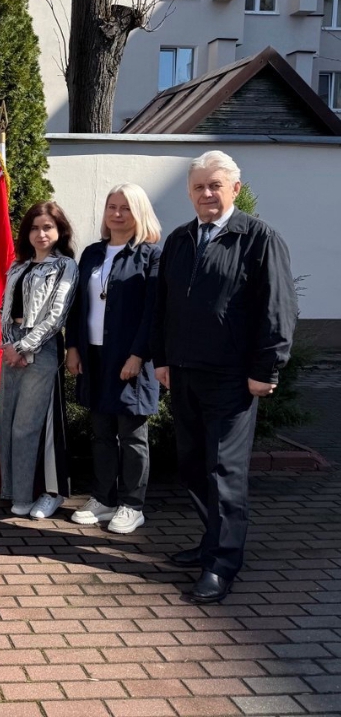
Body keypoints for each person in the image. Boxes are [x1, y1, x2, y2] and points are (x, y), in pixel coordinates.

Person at [152, 150, 295, 604]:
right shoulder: (178, 240)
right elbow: (164, 306)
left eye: (215, 185)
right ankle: (211, 542)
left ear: (235, 188)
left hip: (234, 379)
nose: (207, 194)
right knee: (194, 465)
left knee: (224, 471)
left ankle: (222, 564)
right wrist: (161, 358)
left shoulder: (258, 239)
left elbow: (278, 308)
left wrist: (265, 369)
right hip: (185, 372)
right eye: (199, 187)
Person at [65, 184, 162, 535]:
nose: (117, 214)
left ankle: (132, 505)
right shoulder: (92, 253)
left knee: (132, 435)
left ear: (139, 213)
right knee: (101, 432)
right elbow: (77, 306)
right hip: (93, 356)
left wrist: (139, 355)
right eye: (111, 207)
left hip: (130, 357)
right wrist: (72, 347)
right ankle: (103, 499)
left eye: (125, 208)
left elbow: (154, 312)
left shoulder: (150, 255)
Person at [0, 201, 78, 520]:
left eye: (47, 227)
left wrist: (25, 346)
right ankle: (15, 491)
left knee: (28, 427)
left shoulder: (65, 266)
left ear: (59, 231)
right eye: (34, 227)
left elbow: (57, 316)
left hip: (41, 350)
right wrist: (9, 345)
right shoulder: (17, 267)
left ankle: (45, 493)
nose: (41, 233)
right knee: (7, 423)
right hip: (12, 349)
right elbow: (5, 312)